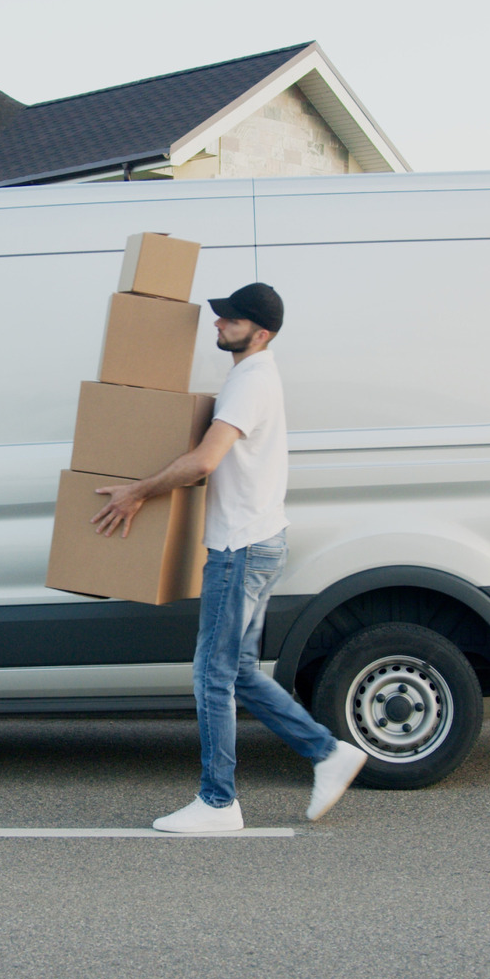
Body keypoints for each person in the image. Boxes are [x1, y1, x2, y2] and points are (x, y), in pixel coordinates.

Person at [91, 282, 367, 832]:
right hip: (260, 540)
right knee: (236, 669)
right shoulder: (253, 376)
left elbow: (203, 462)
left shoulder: (251, 380)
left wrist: (136, 491)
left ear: (259, 333)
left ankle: (218, 802)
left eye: (230, 320)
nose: (218, 325)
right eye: (221, 317)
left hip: (240, 548)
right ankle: (328, 752)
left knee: (212, 674)